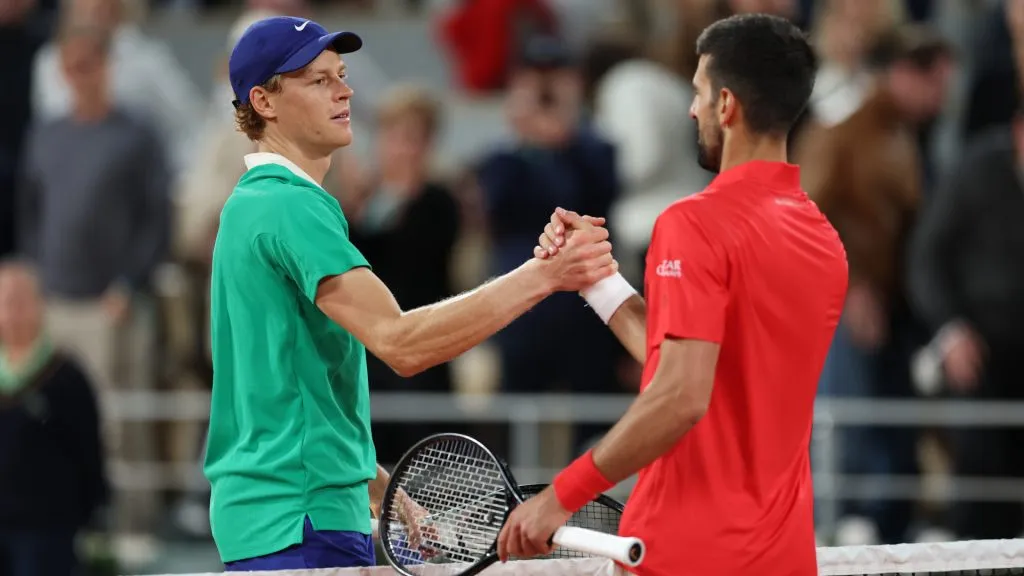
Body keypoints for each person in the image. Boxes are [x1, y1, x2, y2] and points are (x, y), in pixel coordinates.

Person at [204, 15, 617, 571]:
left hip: (278, 518)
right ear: (265, 101)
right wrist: (547, 274)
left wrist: (383, 489)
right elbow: (402, 344)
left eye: (342, 74)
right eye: (317, 80)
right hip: (299, 521)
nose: (345, 89)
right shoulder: (287, 205)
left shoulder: (252, 205)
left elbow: (291, 396)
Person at [497, 14, 849, 576]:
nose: (692, 109)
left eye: (698, 93)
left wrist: (563, 494)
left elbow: (682, 395)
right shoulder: (824, 239)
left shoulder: (694, 223)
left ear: (726, 105)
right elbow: (690, 364)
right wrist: (599, 278)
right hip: (782, 559)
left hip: (684, 554)